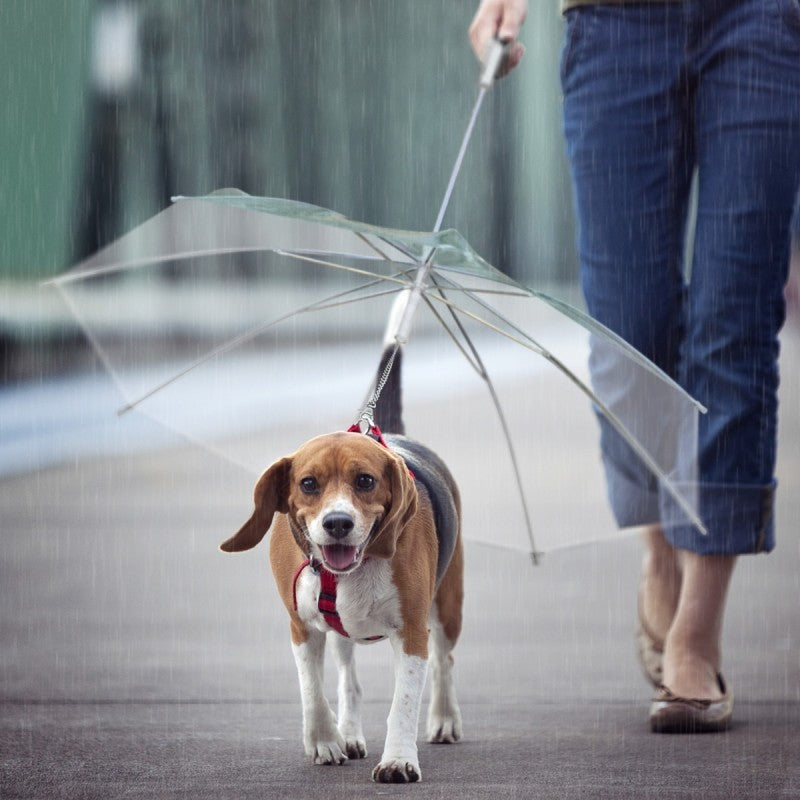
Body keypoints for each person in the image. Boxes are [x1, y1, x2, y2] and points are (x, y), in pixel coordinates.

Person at [470, 0, 800, 732]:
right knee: (628, 331)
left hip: (763, 19)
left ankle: (697, 631)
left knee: (735, 323)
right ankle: (660, 547)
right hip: (613, 21)